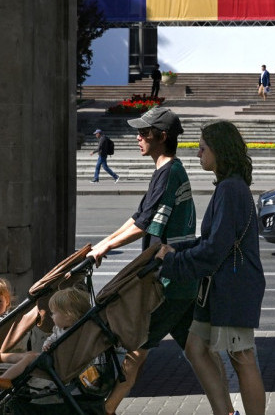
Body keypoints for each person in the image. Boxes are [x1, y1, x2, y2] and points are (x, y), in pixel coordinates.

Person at [89, 107, 197, 415]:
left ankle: (105, 409)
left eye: (144, 133)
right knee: (199, 353)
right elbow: (137, 217)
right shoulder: (166, 170)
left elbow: (144, 225)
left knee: (136, 349)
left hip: (168, 282)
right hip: (179, 280)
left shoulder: (169, 173)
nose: (138, 137)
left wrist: (105, 247)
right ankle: (226, 409)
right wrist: (104, 243)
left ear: (161, 138)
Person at [157, 120, 266, 415]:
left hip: (233, 286)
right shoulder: (228, 187)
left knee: (242, 357)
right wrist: (177, 251)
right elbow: (211, 241)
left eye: (202, 148)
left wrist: (172, 261)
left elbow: (215, 248)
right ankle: (226, 413)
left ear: (219, 150)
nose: (197, 155)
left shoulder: (231, 190)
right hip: (218, 287)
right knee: (195, 347)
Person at [0, 285, 92, 389]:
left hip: (59, 366)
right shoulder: (60, 329)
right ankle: (0, 357)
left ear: (68, 316)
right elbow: (52, 339)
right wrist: (47, 344)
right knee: (29, 354)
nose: (51, 316)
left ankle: (5, 379)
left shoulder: (75, 334)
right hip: (56, 360)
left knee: (30, 358)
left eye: (54, 313)